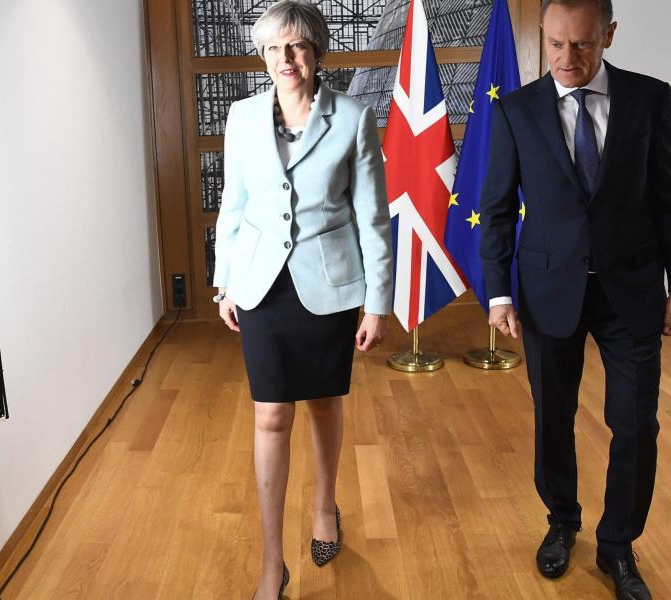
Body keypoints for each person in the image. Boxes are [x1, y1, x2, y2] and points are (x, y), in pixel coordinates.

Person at [478, 1, 671, 598]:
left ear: (609, 35)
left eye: (580, 45)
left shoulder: (650, 99)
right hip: (548, 291)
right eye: (554, 45)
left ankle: (618, 546)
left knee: (634, 424)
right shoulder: (517, 110)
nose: (566, 59)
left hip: (632, 292)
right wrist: (498, 293)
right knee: (553, 417)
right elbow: (496, 212)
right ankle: (561, 523)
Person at [211, 1, 393, 598]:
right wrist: (224, 282)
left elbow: (372, 219)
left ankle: (324, 507)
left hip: (330, 284)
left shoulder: (354, 117)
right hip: (261, 283)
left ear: (316, 50)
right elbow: (233, 206)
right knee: (270, 414)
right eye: (272, 49)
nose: (285, 59)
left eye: (295, 46)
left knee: (321, 401)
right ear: (262, 56)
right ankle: (271, 564)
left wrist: (377, 302)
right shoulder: (240, 119)